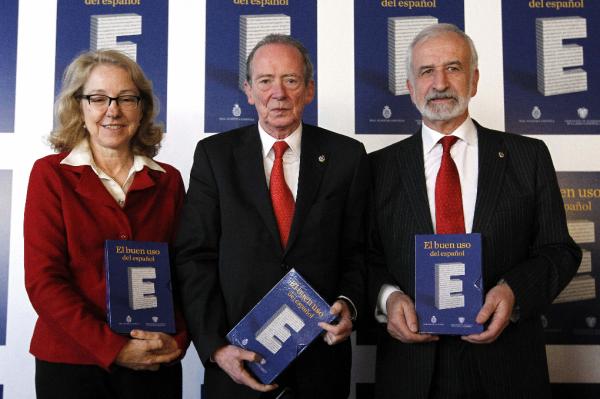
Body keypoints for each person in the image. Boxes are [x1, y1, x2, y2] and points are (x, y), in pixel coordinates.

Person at [367, 23, 581, 398]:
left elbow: (560, 250)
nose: (440, 83)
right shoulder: (376, 169)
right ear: (410, 86)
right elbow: (361, 257)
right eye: (426, 71)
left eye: (453, 68)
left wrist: (514, 291)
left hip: (508, 368)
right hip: (411, 372)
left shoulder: (528, 157)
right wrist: (388, 297)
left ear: (474, 80)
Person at [174, 34, 369, 398]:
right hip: (239, 363)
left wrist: (349, 305)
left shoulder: (347, 156)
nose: (278, 93)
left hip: (321, 364)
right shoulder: (215, 157)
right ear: (248, 91)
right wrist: (215, 347)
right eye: (265, 81)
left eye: (291, 80)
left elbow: (357, 251)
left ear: (309, 90)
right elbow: (194, 257)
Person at [24, 49, 189, 399]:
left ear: (141, 108)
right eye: (98, 98)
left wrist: (177, 339)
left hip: (152, 361)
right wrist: (113, 348)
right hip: (72, 364)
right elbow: (44, 280)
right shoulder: (50, 175)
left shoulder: (169, 181)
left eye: (126, 98)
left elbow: (187, 272)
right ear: (79, 107)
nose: (112, 110)